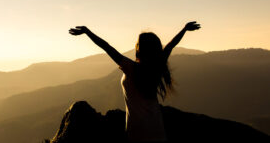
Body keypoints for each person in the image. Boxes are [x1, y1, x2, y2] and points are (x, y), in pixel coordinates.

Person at [69, 22, 200, 142]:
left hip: (137, 129)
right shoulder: (158, 65)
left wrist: (87, 32)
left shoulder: (131, 68)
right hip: (157, 127)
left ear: (139, 49)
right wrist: (185, 29)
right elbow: (171, 45)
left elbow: (107, 47)